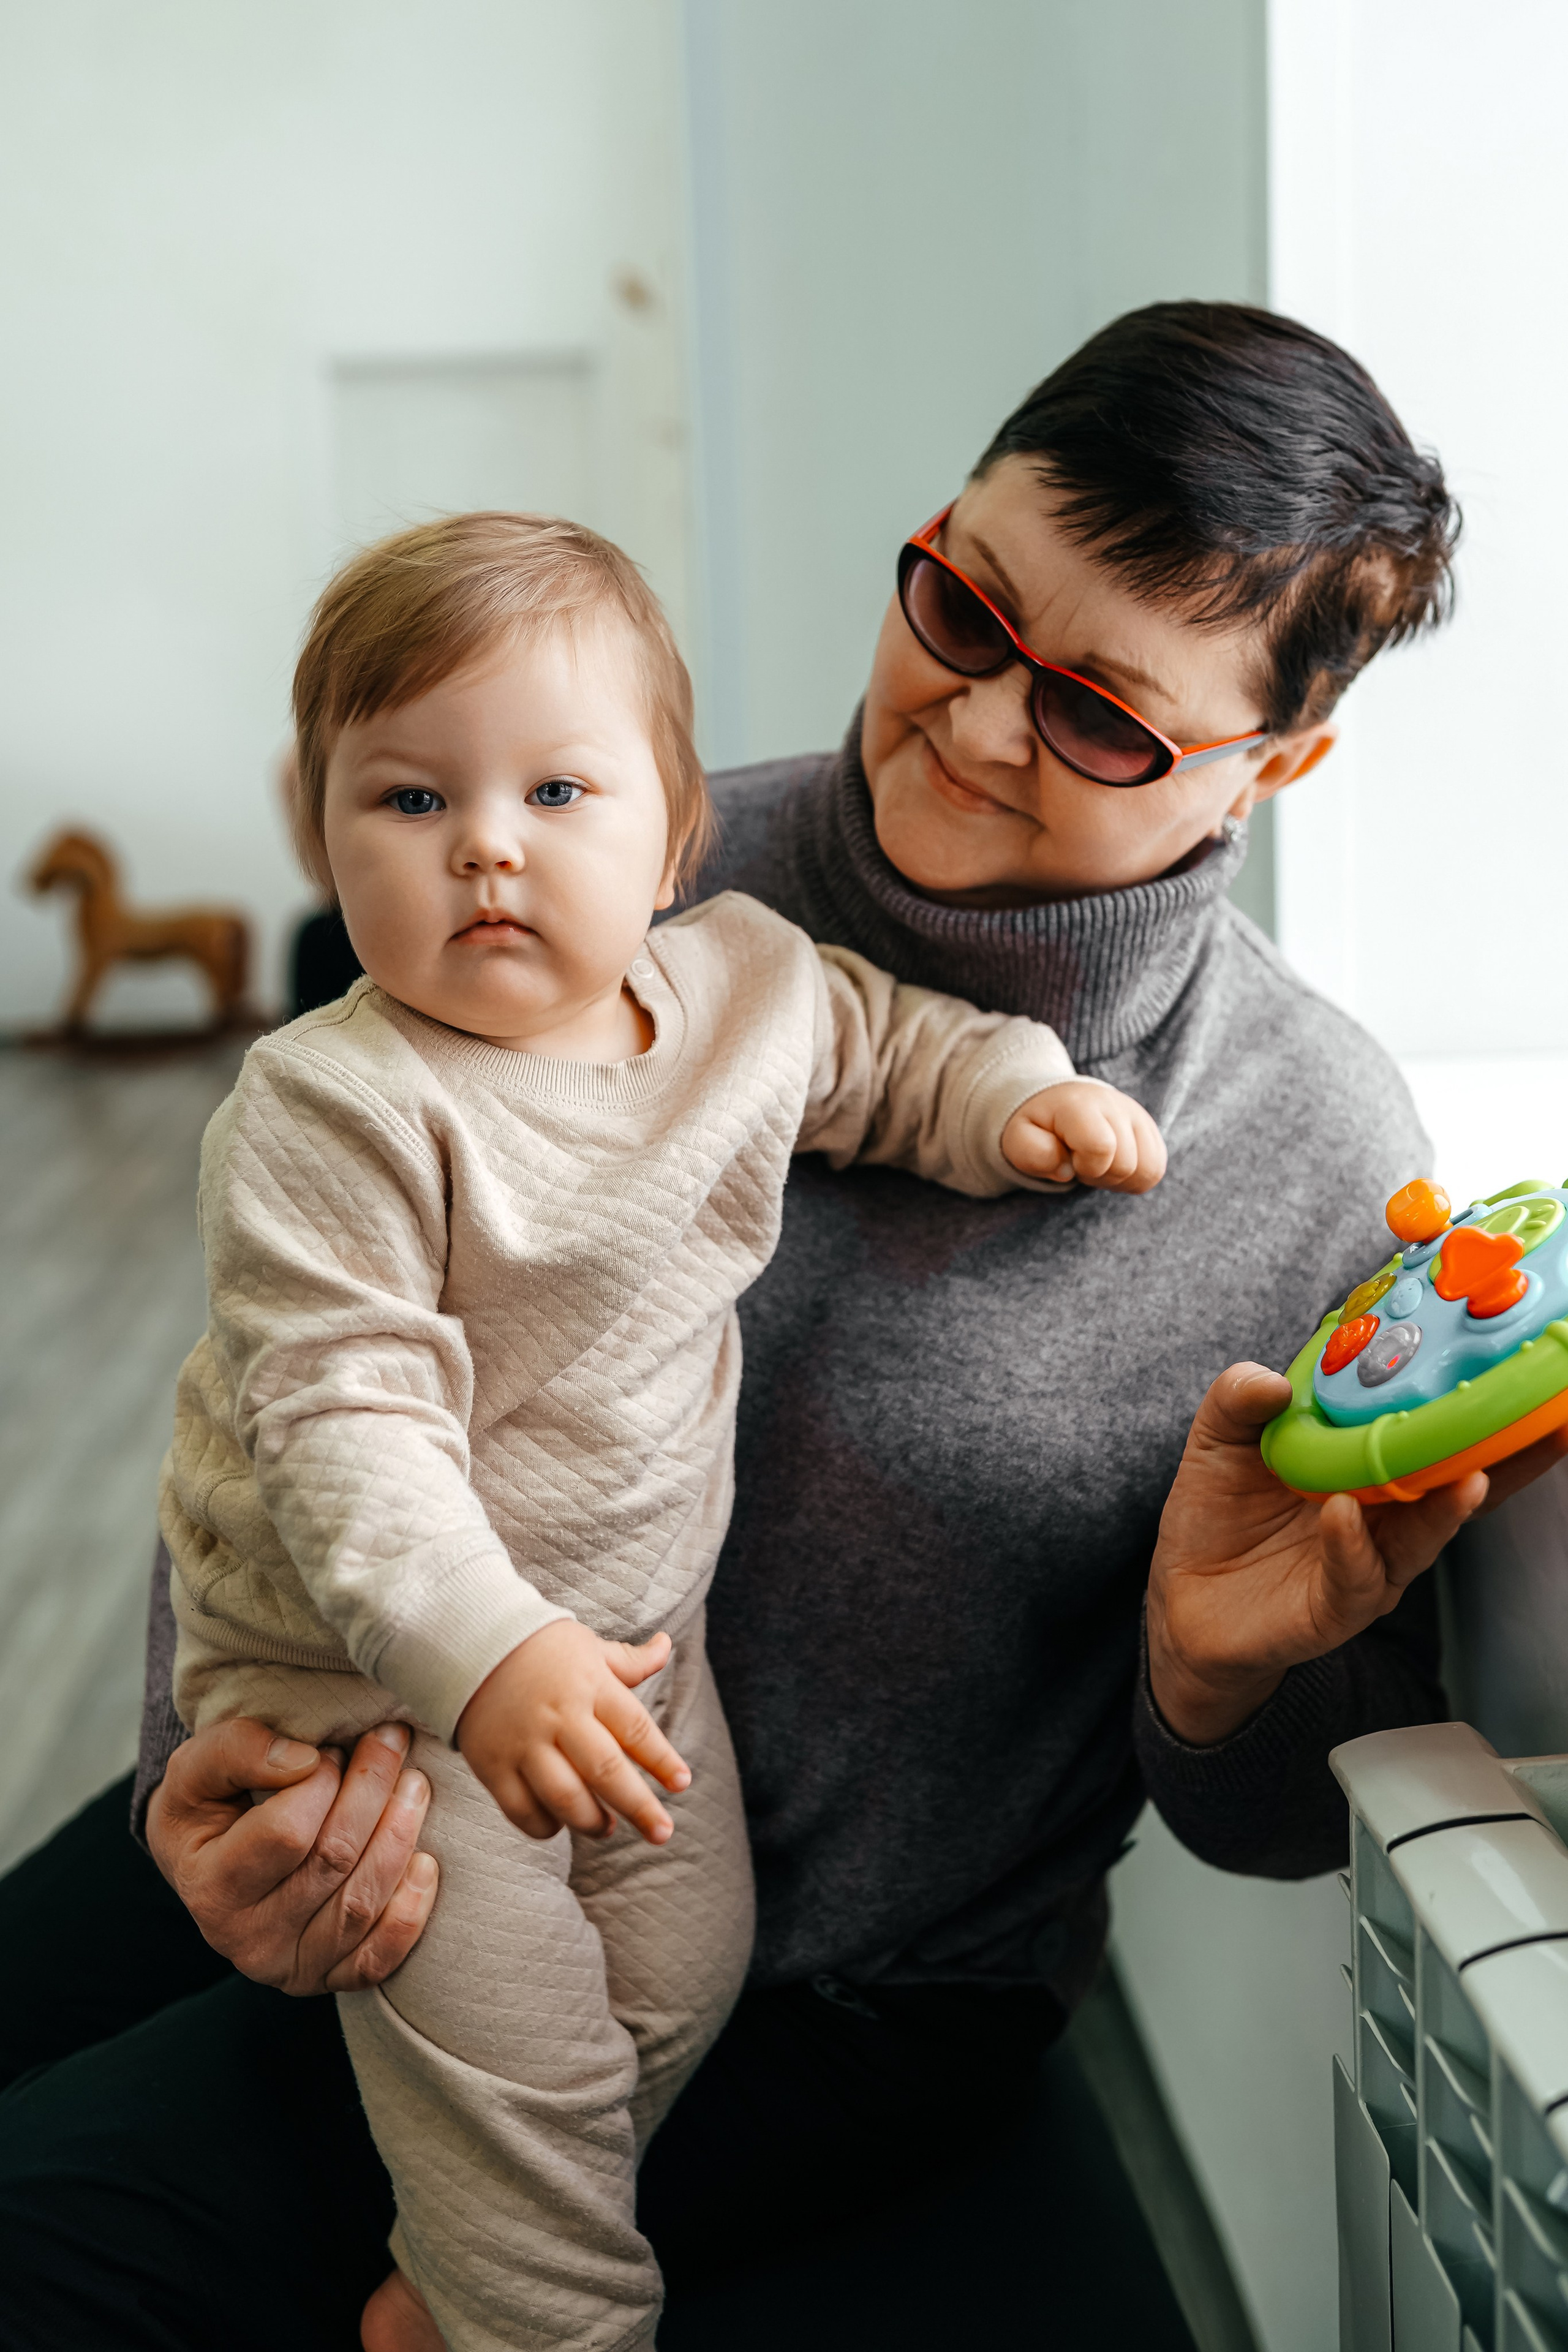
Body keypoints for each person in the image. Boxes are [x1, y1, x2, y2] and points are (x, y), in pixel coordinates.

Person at [4, 303, 1560, 2352]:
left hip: (837, 1990)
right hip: (380, 1770)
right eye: (965, 609)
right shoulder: (591, 847)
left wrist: (1203, 1674)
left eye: (1106, 713)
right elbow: (300, 1375)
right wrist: (202, 1775)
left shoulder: (1305, 1146)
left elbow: (1283, 1826)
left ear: (1279, 759)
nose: (985, 722)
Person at [157, 507, 1156, 2352]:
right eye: (406, 803)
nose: (483, 848)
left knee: (682, 1978)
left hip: (638, 1655)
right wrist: (486, 1656)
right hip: (390, 1692)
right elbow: (344, 1420)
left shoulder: (745, 989)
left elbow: (883, 1052)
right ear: (323, 837)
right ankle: (522, 2314)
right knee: (511, 2053)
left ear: (677, 830)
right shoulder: (334, 1107)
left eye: (555, 791)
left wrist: (1016, 1097)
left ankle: (482, 2239)